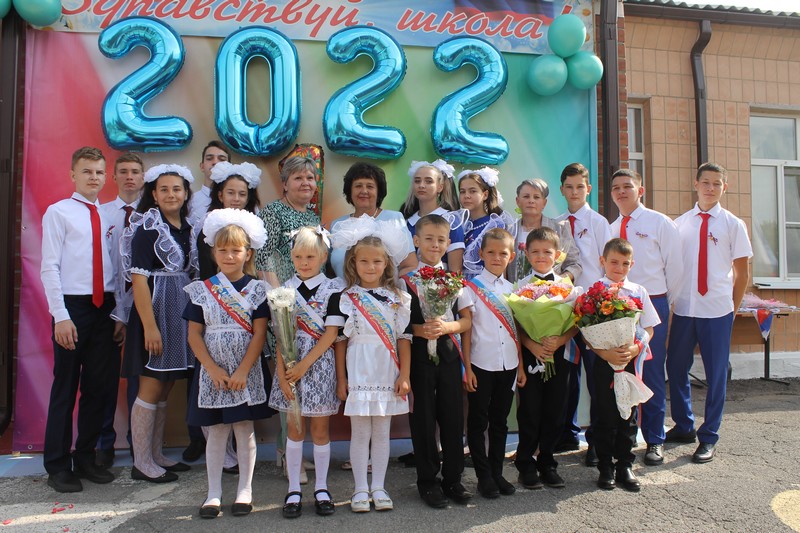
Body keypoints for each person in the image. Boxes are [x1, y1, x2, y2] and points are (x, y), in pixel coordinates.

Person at [184, 209, 273, 519]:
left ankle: (245, 491)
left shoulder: (257, 290)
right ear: (214, 253)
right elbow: (194, 335)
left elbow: (259, 333)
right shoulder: (202, 290)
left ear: (248, 253)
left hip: (246, 371)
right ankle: (213, 493)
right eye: (223, 250)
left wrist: (243, 370)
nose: (229, 256)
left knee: (244, 428)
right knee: (216, 431)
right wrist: (212, 368)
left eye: (236, 250)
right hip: (214, 373)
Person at [40, 146, 118, 493]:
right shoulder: (59, 213)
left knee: (98, 388)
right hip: (73, 308)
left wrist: (119, 314)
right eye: (87, 171)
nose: (93, 177)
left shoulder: (110, 215)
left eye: (99, 172)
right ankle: (57, 465)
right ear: (73, 174)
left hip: (105, 309)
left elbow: (116, 267)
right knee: (66, 386)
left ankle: (85, 457)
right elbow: (49, 267)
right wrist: (61, 316)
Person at [666, 163, 751, 464]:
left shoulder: (733, 224)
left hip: (717, 310)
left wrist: (732, 311)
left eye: (717, 183)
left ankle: (709, 435)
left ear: (724, 187)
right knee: (676, 367)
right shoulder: (680, 224)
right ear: (696, 184)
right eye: (705, 182)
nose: (710, 188)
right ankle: (684, 425)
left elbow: (742, 274)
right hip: (685, 309)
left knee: (716, 375)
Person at [328, 216, 412, 513]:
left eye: (377, 261)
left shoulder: (399, 298)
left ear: (386, 264)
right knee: (360, 432)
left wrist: (405, 374)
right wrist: (341, 379)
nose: (371, 267)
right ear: (354, 263)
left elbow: (403, 339)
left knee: (382, 432)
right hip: (359, 370)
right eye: (364, 261)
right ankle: (360, 489)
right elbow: (340, 342)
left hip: (387, 370)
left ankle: (379, 486)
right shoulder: (345, 298)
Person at [121, 163, 197, 483]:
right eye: (163, 189)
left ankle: (156, 454)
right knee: (151, 385)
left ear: (185, 193)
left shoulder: (188, 229)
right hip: (154, 315)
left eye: (176, 189)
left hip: (178, 314)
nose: (171, 194)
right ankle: (141, 463)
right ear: (153, 194)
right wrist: (150, 327)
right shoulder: (148, 228)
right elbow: (138, 281)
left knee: (166, 385)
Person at [268, 226, 344, 519]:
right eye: (298, 256)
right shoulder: (283, 290)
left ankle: (322, 488)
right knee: (295, 428)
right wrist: (282, 372)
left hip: (319, 364)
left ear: (323, 257)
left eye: (311, 257)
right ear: (292, 257)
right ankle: (293, 489)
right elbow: (280, 335)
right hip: (289, 368)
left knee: (320, 430)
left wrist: (303, 366)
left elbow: (331, 334)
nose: (304, 262)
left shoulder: (334, 289)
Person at [610, 169, 683, 467]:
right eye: (616, 187)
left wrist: (662, 303)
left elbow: (675, 269)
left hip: (652, 302)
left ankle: (654, 439)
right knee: (620, 369)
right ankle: (623, 439)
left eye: (627, 186)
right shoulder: (611, 228)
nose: (621, 191)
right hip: (617, 306)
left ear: (640, 190)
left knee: (651, 372)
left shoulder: (659, 222)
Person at [255, 155, 320, 482]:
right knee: (287, 376)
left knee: (302, 376)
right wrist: (281, 302)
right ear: (284, 184)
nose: (305, 183)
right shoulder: (272, 212)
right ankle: (286, 453)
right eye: (298, 178)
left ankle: (292, 449)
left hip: (309, 307)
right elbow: (263, 259)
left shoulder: (312, 216)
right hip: (283, 306)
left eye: (310, 178)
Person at [402, 214, 473, 508]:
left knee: (453, 417)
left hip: (448, 355)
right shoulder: (405, 281)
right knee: (423, 418)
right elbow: (398, 324)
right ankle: (428, 481)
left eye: (441, 240)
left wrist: (447, 327)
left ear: (448, 244)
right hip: (419, 356)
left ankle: (453, 479)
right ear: (416, 241)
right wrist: (420, 329)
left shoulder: (455, 280)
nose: (434, 244)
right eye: (428, 238)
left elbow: (466, 320)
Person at [589, 238, 660, 492]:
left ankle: (625, 465)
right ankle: (605, 466)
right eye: (614, 262)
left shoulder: (638, 291)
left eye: (625, 263)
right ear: (603, 261)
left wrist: (636, 348)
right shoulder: (595, 291)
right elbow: (586, 332)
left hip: (629, 363)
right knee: (605, 414)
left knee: (628, 415)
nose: (619, 268)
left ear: (632, 264)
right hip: (604, 362)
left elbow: (649, 328)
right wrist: (605, 353)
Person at [461, 228, 525, 499]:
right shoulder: (470, 289)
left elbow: (517, 331)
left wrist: (521, 366)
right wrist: (467, 367)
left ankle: (497, 473)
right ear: (481, 254)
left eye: (503, 253)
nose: (497, 258)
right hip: (481, 364)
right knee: (478, 421)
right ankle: (483, 476)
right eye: (491, 252)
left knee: (500, 421)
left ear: (511, 257)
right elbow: (466, 332)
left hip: (508, 365)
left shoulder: (513, 291)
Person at [555, 163, 612, 464]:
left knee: (597, 376)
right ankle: (566, 433)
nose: (574, 192)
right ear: (562, 189)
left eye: (580, 186)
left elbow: (607, 265)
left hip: (593, 310)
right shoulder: (556, 223)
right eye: (569, 186)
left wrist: (602, 305)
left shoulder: (599, 223)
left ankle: (597, 443)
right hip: (563, 308)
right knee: (566, 374)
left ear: (588, 189)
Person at [514, 227, 578, 490]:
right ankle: (525, 463)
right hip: (532, 355)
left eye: (547, 252)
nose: (541, 257)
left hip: (559, 355)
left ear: (558, 255)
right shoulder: (520, 287)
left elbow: (577, 322)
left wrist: (560, 340)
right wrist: (532, 344)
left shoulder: (567, 287)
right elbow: (515, 324)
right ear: (527, 254)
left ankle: (547, 462)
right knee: (530, 410)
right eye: (536, 252)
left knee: (555, 410)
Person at [97, 151, 145, 469]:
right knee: (104, 376)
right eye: (123, 171)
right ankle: (104, 443)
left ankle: (139, 442)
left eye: (135, 172)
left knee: (140, 378)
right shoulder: (101, 214)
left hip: (142, 305)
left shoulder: (152, 216)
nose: (129, 177)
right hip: (105, 306)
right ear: (113, 177)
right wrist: (116, 310)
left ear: (143, 178)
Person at [329, 162, 416, 278]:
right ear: (350, 191)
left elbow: (409, 266)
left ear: (378, 192)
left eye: (370, 186)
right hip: (342, 289)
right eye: (358, 186)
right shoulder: (337, 225)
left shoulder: (394, 219)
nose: (364, 191)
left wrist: (394, 288)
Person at [507, 179, 581, 284]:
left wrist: (557, 282)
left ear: (544, 203)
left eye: (536, 197)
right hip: (515, 291)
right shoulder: (509, 231)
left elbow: (574, 265)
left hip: (552, 291)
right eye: (526, 196)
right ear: (517, 201)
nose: (531, 201)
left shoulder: (560, 228)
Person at [400, 160, 464, 272]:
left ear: (440, 187)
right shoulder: (407, 223)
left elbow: (456, 271)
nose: (421, 185)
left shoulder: (451, 220)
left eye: (429, 181)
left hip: (443, 280)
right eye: (417, 181)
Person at [457, 167, 515, 280]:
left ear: (485, 194)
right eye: (462, 191)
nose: (466, 195)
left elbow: (502, 264)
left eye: (473, 191)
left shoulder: (494, 225)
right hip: (458, 284)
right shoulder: (458, 223)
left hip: (484, 285)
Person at [187, 140, 231, 230]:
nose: (215, 162)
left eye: (222, 159)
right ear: (202, 166)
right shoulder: (190, 201)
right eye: (209, 158)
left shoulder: (240, 199)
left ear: (230, 166)